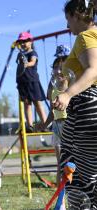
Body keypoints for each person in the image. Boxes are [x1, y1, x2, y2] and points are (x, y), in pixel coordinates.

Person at [53, 0, 97, 208]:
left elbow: (93, 70)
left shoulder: (84, 36)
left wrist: (68, 93)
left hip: (86, 106)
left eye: (67, 19)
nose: (67, 26)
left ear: (77, 15)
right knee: (91, 169)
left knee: (73, 169)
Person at [40, 55, 68, 188]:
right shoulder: (53, 89)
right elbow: (52, 112)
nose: (57, 71)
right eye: (55, 67)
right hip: (57, 126)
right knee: (60, 163)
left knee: (75, 162)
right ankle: (60, 199)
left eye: (61, 68)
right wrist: (44, 125)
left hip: (69, 125)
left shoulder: (72, 86)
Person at [16, 31, 47, 132]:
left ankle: (45, 123)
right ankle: (29, 125)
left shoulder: (33, 53)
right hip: (23, 82)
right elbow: (18, 64)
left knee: (37, 102)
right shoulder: (21, 54)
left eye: (25, 41)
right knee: (27, 104)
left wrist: (26, 64)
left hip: (32, 81)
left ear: (30, 41)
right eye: (21, 42)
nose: (23, 43)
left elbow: (33, 62)